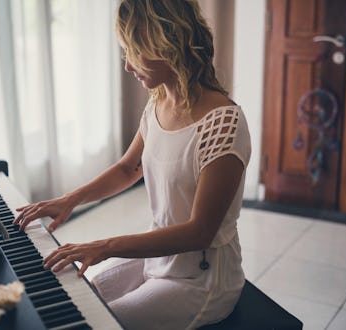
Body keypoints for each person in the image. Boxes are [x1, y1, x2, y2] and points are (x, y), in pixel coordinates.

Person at [14, 0, 251, 329]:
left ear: (165, 43)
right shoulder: (159, 101)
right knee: (83, 297)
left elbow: (200, 232)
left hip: (203, 279)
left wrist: (106, 246)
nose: (127, 65)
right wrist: (68, 200)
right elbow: (128, 169)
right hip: (159, 259)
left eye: (133, 50)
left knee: (98, 322)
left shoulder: (224, 122)